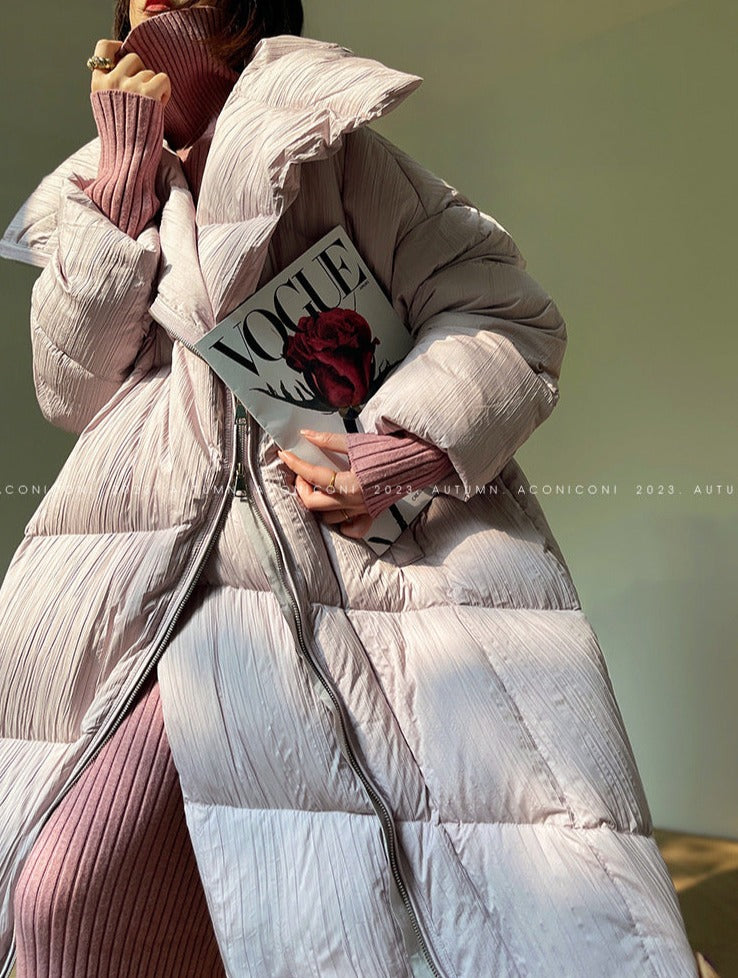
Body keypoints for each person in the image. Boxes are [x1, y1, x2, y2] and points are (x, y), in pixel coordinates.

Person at [0, 1, 708, 976]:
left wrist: (392, 452)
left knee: (339, 896)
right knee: (66, 900)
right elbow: (71, 391)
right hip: (139, 562)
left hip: (333, 558)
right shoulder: (95, 186)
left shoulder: (331, 149)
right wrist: (122, 177)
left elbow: (506, 319)